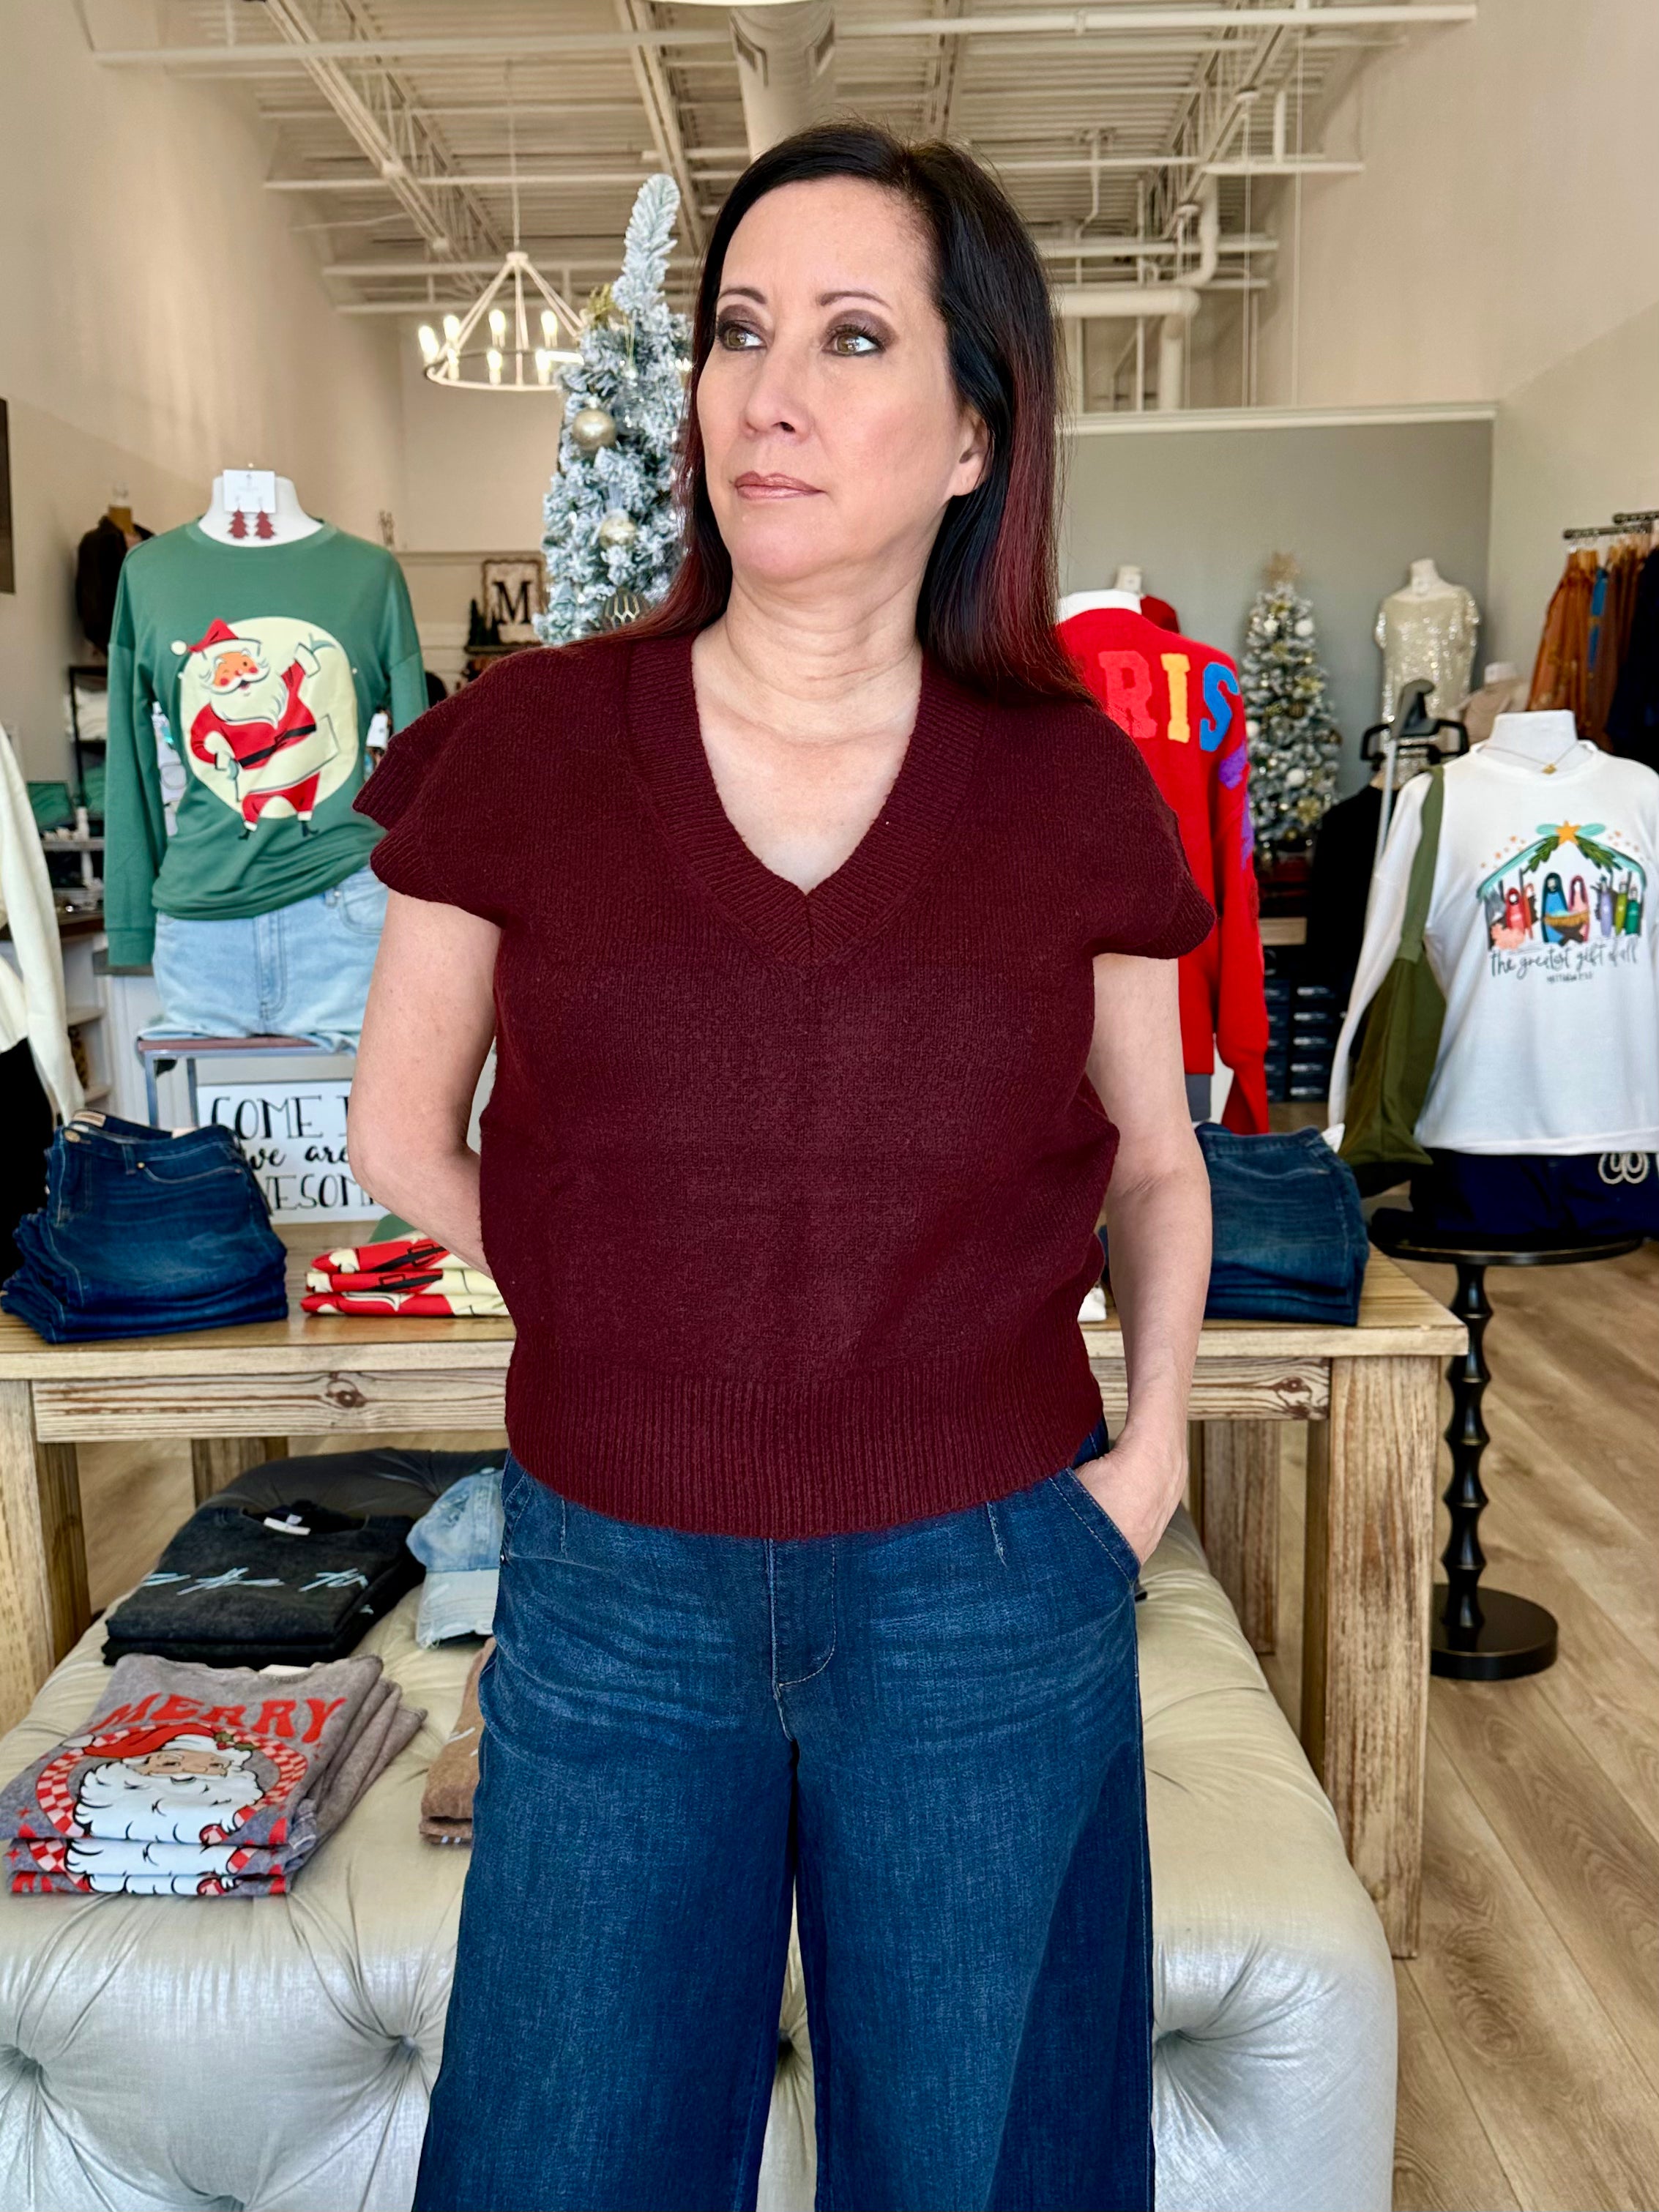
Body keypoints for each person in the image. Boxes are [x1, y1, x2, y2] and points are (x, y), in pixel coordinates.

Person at [348, 121, 1213, 2212]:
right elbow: (396, 1134)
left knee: (992, 2169)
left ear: (975, 434)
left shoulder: (1069, 786)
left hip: (987, 1587)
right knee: (561, 2162)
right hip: (614, 1590)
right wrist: (631, 1304)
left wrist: (1148, 1464)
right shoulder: (532, 749)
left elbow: (1156, 1167)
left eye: (850, 336)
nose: (770, 393)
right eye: (739, 332)